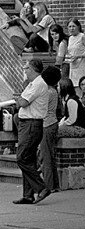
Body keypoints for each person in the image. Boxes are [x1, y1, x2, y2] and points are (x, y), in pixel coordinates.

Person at [13, 58, 51, 205]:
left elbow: (23, 102)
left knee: (21, 157)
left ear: (34, 69)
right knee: (28, 159)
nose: (24, 70)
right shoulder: (31, 84)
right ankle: (28, 194)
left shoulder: (38, 84)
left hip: (31, 124)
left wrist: (18, 99)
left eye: (27, 68)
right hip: (26, 123)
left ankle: (41, 187)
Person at [39, 65, 62, 192]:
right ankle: (54, 184)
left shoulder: (47, 92)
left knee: (45, 157)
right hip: (52, 123)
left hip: (46, 124)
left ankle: (48, 186)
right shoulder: (53, 91)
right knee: (50, 156)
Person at [66, 17, 85, 90]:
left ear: (78, 26)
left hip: (82, 66)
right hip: (73, 66)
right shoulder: (70, 38)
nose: (72, 28)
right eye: (70, 27)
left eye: (73, 26)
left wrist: (79, 56)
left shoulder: (82, 36)